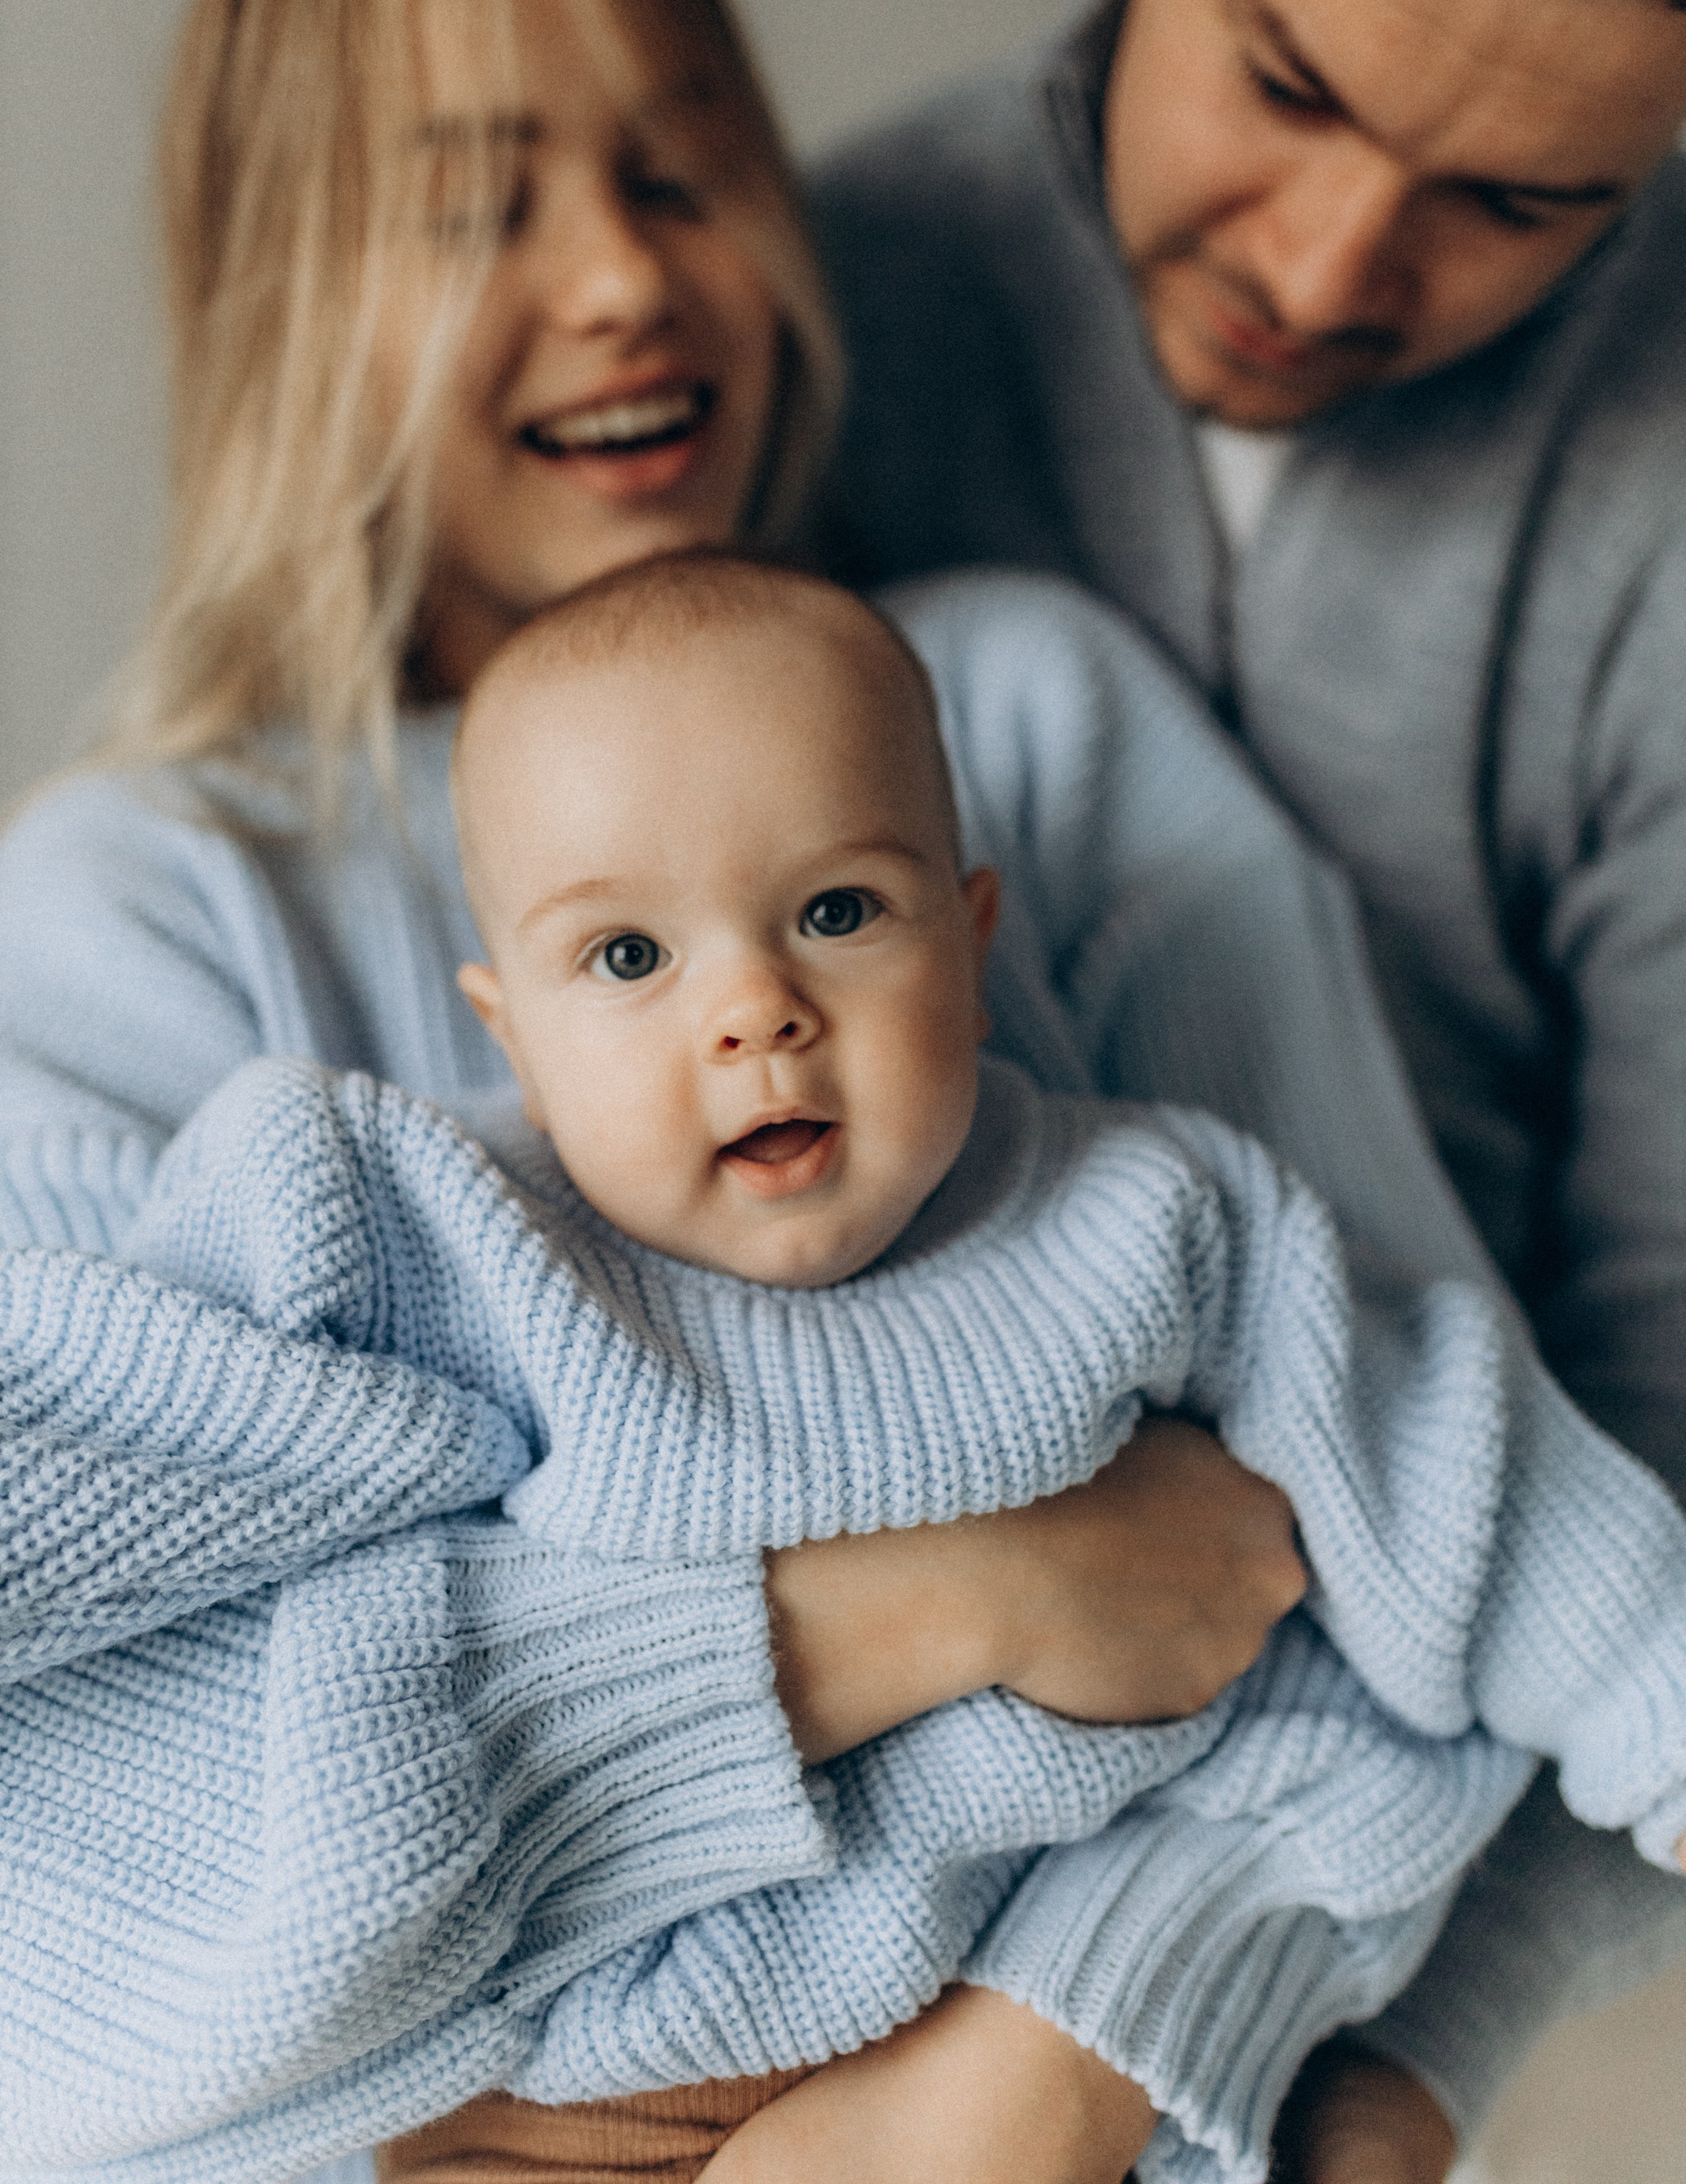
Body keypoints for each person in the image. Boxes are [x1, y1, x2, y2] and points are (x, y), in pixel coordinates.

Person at [0, 0, 1389, 2184]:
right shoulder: (127, 915)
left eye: (680, 169)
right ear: (285, 301)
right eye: (476, 207)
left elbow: (1394, 1506)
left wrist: (1053, 2062)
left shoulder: (1033, 729)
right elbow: (74, 1814)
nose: (628, 281)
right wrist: (940, 1599)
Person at [88, 548, 1686, 2184]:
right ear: (508, 1037)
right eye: (628, 959)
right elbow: (152, 1533)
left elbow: (1471, 1489)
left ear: (972, 942)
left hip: (1047, 2049)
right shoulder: (440, 1243)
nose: (754, 1012)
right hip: (537, 2098)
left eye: (836, 912)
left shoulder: (1154, 1220)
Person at [807, 0, 1686, 2175]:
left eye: (1521, 200)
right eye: (1289, 86)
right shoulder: (801, 315)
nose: (1326, 264)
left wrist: (1407, 2071)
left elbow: (1670, 1380)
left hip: (1470, 1789)